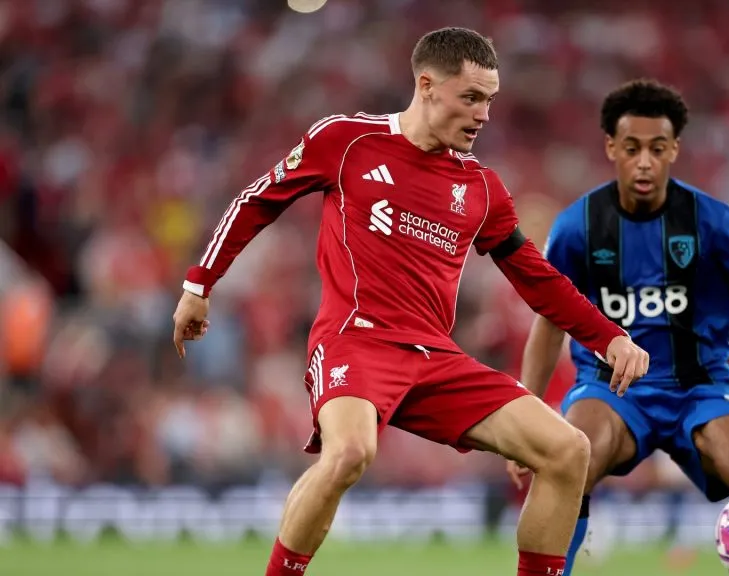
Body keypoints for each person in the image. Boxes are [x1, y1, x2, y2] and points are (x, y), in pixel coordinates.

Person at [171, 28, 649, 576]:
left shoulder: (481, 188)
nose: (484, 114)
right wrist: (198, 287)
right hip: (355, 340)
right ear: (427, 86)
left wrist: (609, 337)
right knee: (350, 453)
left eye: (490, 100)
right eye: (471, 97)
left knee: (568, 450)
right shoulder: (346, 140)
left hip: (434, 358)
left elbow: (537, 279)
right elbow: (256, 201)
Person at [506, 79, 729, 575]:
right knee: (569, 458)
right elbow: (549, 323)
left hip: (701, 388)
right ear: (611, 148)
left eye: (657, 149)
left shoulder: (716, 222)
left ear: (674, 150)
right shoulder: (578, 227)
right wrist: (527, 415)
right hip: (611, 388)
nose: (644, 162)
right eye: (632, 148)